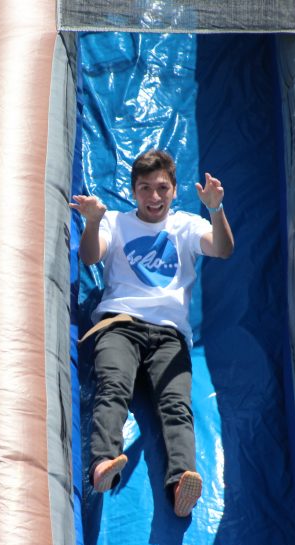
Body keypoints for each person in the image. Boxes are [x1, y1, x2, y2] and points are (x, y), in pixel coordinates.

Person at [71, 149, 234, 517]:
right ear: (133, 191)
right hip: (120, 325)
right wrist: (94, 221)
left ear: (175, 190)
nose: (154, 196)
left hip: (169, 334)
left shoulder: (187, 225)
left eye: (162, 187)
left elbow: (223, 250)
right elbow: (90, 257)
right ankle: (102, 464)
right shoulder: (116, 221)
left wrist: (216, 209)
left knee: (176, 406)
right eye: (145, 188)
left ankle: (181, 483)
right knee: (112, 388)